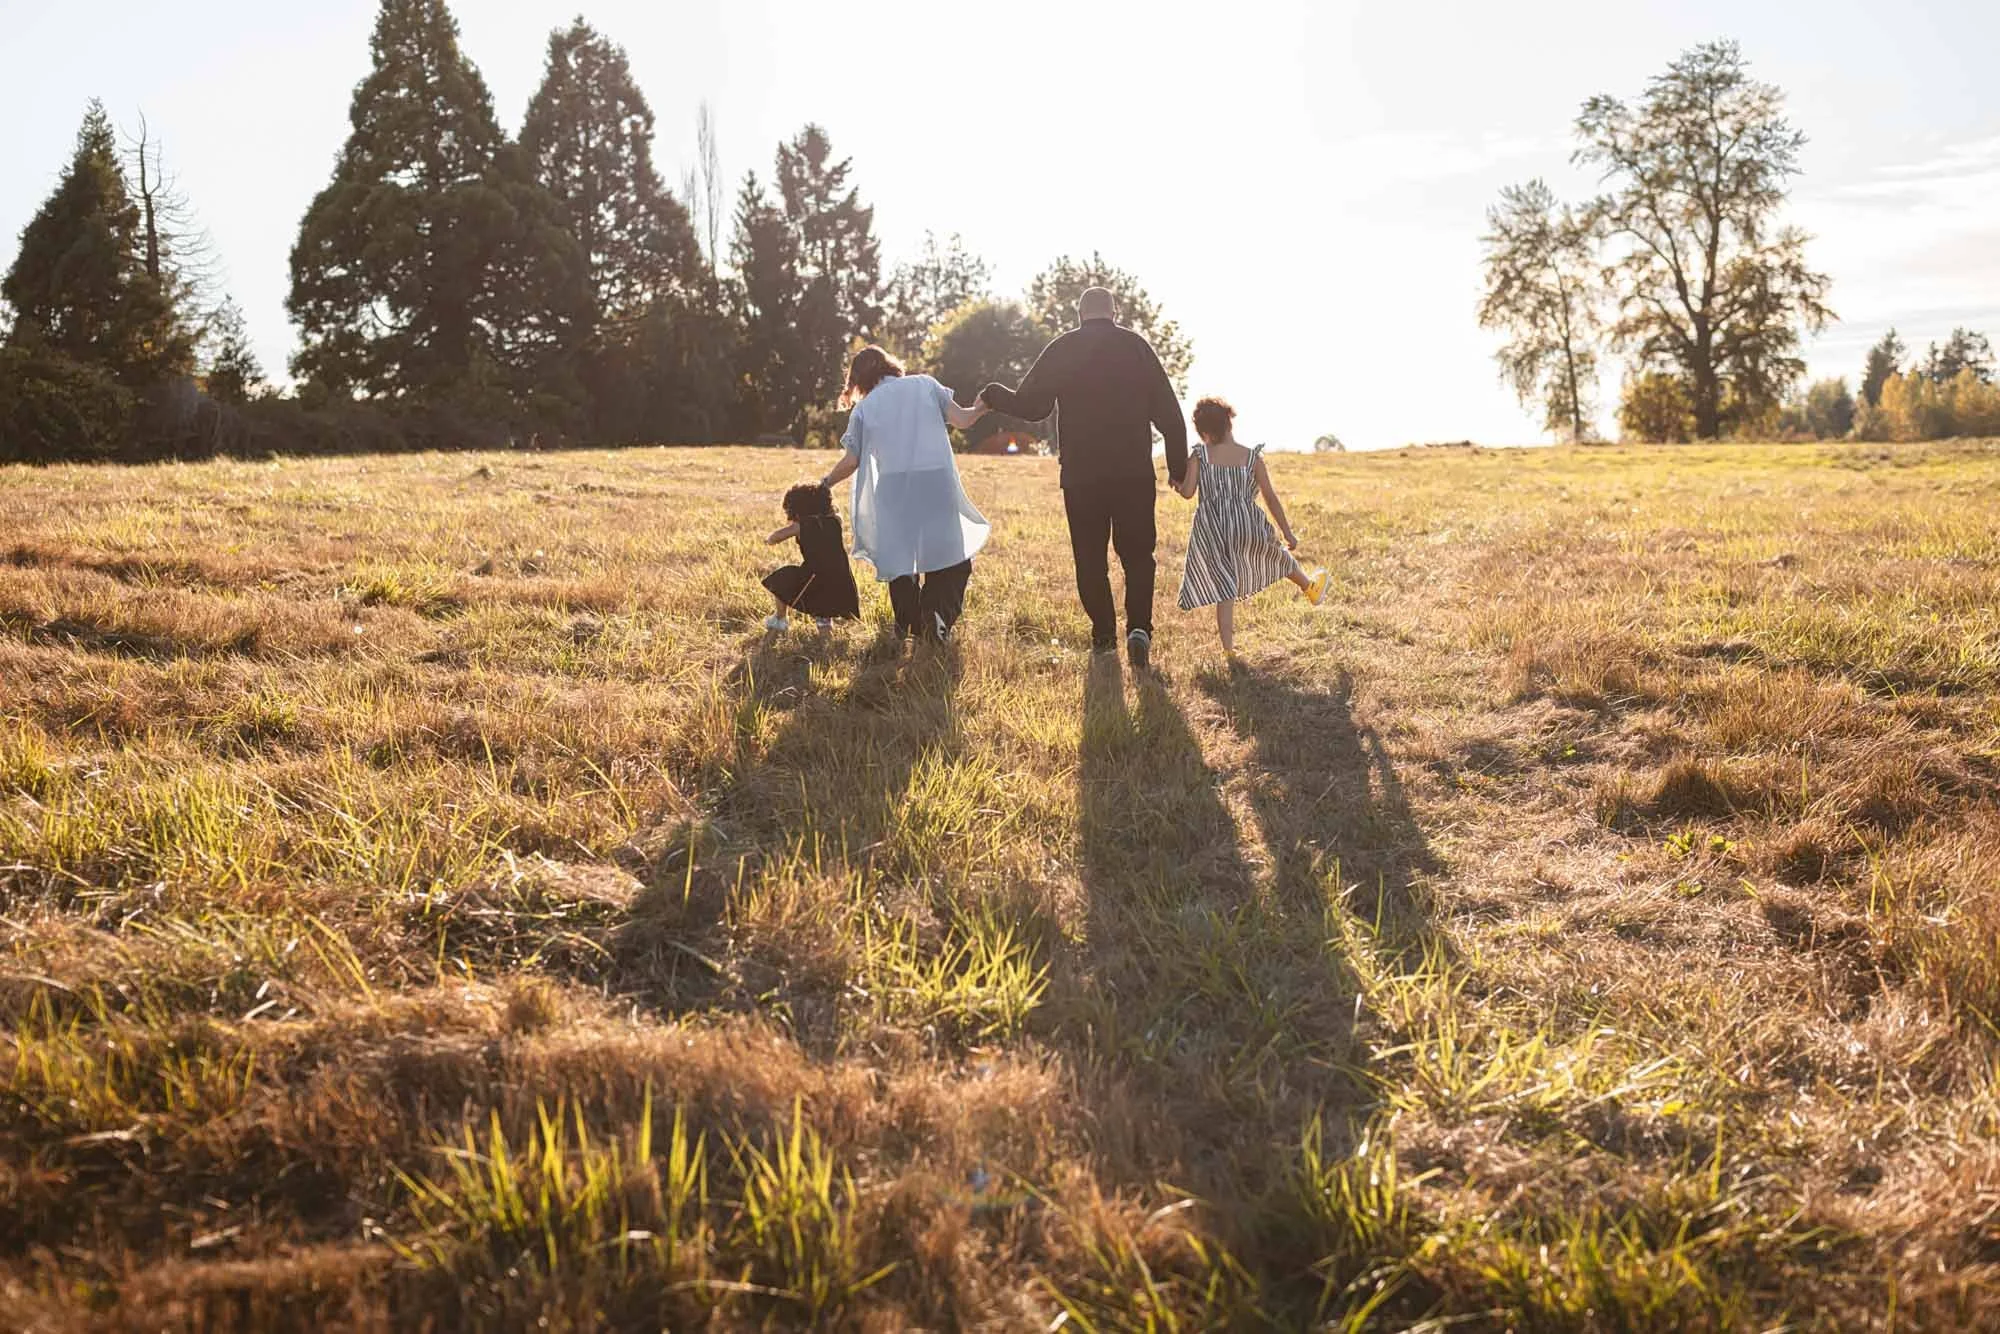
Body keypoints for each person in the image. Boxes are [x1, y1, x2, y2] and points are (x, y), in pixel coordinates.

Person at [979, 287, 1187, 669]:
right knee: (1139, 555)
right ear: (1114, 312)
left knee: (1090, 560)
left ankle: (1104, 636)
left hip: (1081, 475)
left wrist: (994, 395)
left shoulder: (1064, 348)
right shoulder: (1137, 348)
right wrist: (1177, 469)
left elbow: (1032, 405)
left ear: (1079, 314)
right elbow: (1171, 417)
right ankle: (1139, 629)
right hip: (1133, 474)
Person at [819, 346, 991, 645]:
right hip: (935, 480)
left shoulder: (865, 408)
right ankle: (937, 613)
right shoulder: (924, 384)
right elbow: (963, 420)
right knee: (949, 555)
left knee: (901, 557)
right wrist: (983, 406)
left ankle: (907, 623)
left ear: (857, 380)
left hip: (893, 486)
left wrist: (824, 483)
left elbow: (851, 461)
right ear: (891, 366)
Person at [1175, 396, 1329, 656]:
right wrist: (1287, 531)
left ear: (1204, 431)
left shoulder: (1200, 455)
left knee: (1226, 587)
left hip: (1212, 528)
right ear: (1229, 424)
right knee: (1275, 554)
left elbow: (1189, 492)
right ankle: (1308, 586)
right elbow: (1270, 497)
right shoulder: (1251, 457)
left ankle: (1228, 650)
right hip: (1246, 522)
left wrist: (1178, 485)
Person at [761, 481, 861, 633]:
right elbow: (838, 513)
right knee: (824, 608)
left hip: (815, 576)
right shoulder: (835, 521)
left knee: (781, 579)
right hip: (841, 576)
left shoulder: (801, 526)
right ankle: (825, 634)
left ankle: (780, 619)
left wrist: (769, 540)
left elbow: (777, 536)